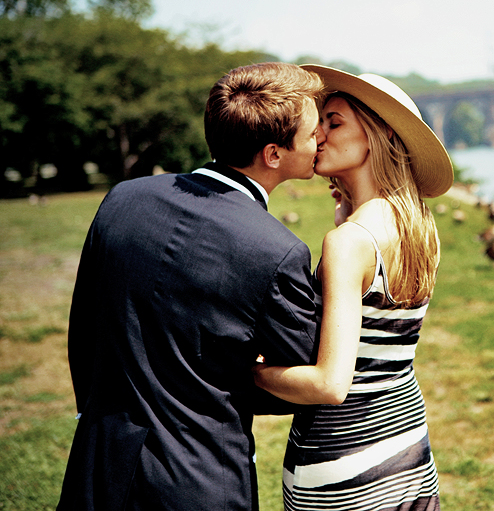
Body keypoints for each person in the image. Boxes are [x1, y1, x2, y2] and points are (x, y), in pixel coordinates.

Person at [58, 62, 326, 511]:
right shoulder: (277, 251)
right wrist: (237, 371)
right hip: (202, 480)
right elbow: (298, 376)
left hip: (99, 464)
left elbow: (84, 325)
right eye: (314, 132)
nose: (321, 140)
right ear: (274, 154)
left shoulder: (123, 198)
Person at [252, 65, 453, 511]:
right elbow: (384, 344)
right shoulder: (418, 229)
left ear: (375, 135)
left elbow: (329, 384)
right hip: (410, 454)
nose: (318, 135)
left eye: (334, 122)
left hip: (341, 463)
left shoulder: (349, 244)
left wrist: (248, 369)